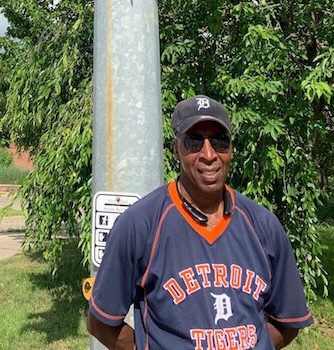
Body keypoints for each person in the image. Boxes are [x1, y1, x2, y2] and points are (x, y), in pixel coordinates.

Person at [87, 95, 313, 349]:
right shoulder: (139, 225)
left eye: (219, 141)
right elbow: (101, 323)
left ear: (230, 148)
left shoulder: (263, 226)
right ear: (176, 149)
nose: (209, 154)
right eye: (194, 141)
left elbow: (288, 320)